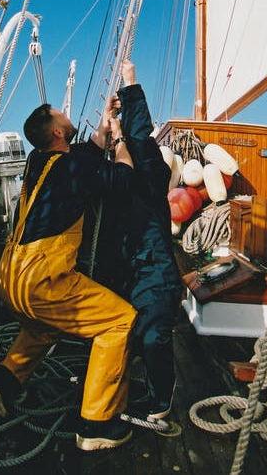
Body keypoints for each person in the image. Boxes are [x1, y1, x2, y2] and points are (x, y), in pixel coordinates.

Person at [0, 102, 138, 451]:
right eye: (61, 116)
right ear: (56, 131)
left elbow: (86, 152)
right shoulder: (73, 165)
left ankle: (2, 385)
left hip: (10, 277)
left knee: (44, 325)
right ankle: (97, 423)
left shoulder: (40, 161)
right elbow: (123, 179)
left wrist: (105, 124)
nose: (67, 118)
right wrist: (123, 141)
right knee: (119, 322)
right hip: (43, 278)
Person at [117, 60, 182, 425]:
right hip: (132, 265)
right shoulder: (115, 174)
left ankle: (160, 401)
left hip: (153, 265)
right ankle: (143, 387)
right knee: (137, 331)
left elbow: (140, 137)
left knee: (154, 333)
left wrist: (130, 85)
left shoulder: (147, 177)